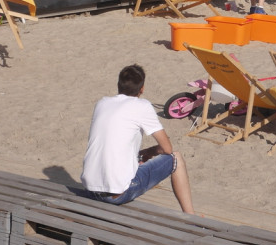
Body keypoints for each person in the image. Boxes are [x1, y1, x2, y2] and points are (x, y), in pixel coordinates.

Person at [81, 64, 195, 214]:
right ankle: (191, 217)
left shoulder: (102, 103)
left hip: (90, 190)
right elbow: (167, 149)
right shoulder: (142, 106)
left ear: (118, 85)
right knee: (176, 159)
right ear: (142, 89)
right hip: (116, 194)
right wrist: (151, 151)